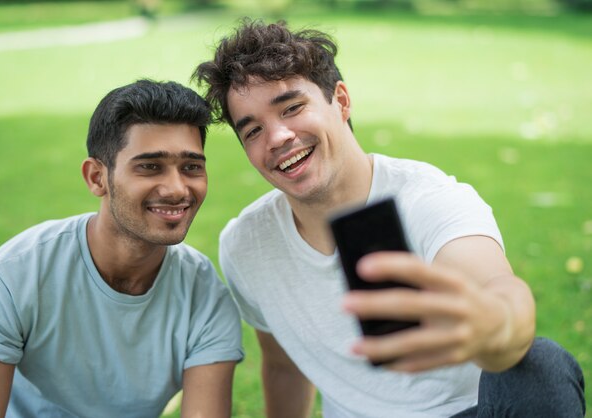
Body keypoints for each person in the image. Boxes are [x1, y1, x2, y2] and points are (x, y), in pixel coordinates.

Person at [193, 19, 585, 418]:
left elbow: (501, 290)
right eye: (253, 130)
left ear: (341, 101)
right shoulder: (246, 244)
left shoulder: (429, 199)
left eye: (292, 108)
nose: (277, 137)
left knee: (540, 364)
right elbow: (284, 364)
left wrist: (497, 323)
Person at [0, 79, 244, 418]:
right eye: (150, 166)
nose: (176, 188)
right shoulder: (15, 274)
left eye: (191, 167)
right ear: (97, 177)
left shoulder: (205, 298)